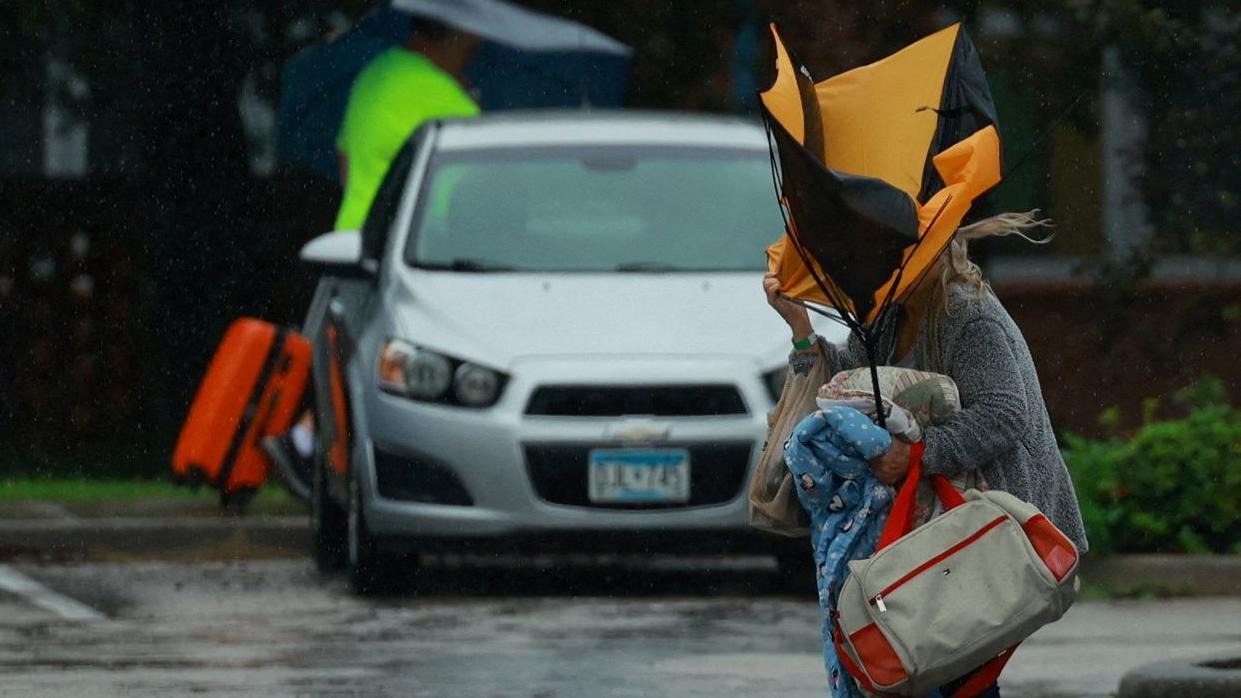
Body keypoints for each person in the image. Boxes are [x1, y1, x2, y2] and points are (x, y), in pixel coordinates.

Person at [763, 211, 1088, 697]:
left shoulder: (967, 314)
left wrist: (915, 454)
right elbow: (849, 381)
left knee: (953, 663)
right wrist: (800, 328)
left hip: (988, 523)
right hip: (937, 524)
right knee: (936, 662)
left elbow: (1003, 412)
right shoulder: (889, 315)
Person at [264, 18, 482, 494]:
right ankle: (316, 446)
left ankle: (308, 443)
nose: (476, 48)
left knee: (343, 356)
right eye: (471, 39)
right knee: (394, 367)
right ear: (455, 35)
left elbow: (344, 159)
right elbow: (469, 194)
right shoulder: (451, 104)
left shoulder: (374, 75)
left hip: (350, 239)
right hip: (409, 255)